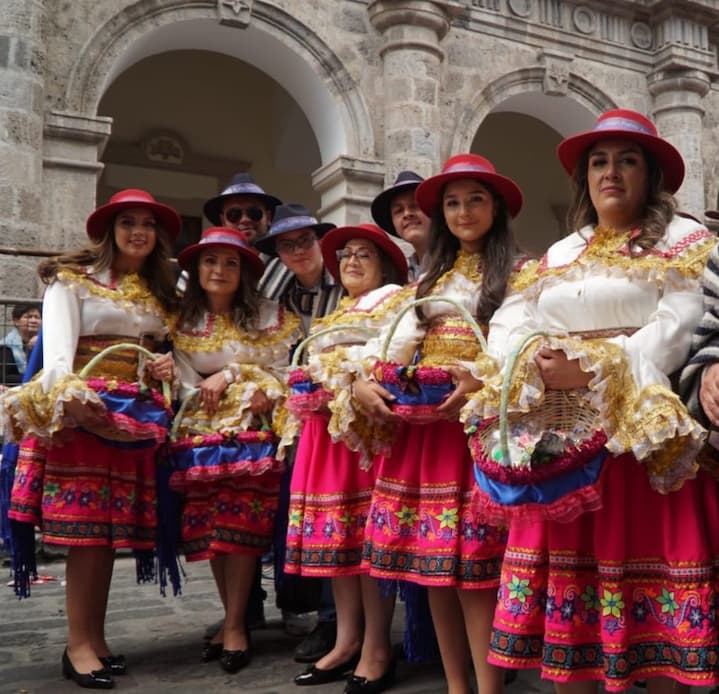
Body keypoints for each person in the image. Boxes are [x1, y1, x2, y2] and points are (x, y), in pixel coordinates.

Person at [480, 109, 718, 693]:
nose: (611, 172)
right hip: (563, 446)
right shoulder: (560, 252)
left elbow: (682, 321)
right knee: (573, 623)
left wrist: (591, 368)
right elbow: (513, 317)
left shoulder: (687, 242)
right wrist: (531, 359)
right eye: (599, 162)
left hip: (643, 445)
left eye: (627, 160)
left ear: (652, 174)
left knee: (659, 622)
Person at [354, 153, 525, 694]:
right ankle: (456, 685)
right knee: (433, 565)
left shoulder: (521, 272)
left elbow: (517, 340)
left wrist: (480, 378)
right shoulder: (429, 280)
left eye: (475, 198)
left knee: (476, 568)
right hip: (423, 429)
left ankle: (490, 688)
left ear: (495, 207)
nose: (463, 211)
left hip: (475, 425)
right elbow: (393, 342)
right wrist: (364, 379)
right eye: (452, 202)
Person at [1, 188, 179, 689]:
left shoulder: (157, 292)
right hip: (83, 416)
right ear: (109, 230)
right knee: (84, 535)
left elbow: (158, 354)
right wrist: (76, 406)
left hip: (133, 419)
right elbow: (58, 355)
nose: (138, 231)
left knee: (106, 536)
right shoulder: (70, 283)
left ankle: (93, 640)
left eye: (148, 223)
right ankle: (78, 644)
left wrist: (161, 363)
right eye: (128, 222)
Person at [282, 223, 408, 690]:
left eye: (364, 254)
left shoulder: (394, 298)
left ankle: (376, 645)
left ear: (385, 264)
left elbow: (385, 356)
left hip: (361, 432)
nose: (352, 261)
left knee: (366, 541)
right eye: (346, 254)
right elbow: (314, 360)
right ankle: (347, 638)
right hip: (323, 431)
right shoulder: (340, 309)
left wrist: (336, 373)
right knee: (340, 541)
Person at [170, 226, 301, 674]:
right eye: (211, 261)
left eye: (231, 263)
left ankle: (235, 626)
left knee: (241, 527)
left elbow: (284, 372)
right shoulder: (182, 320)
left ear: (244, 272)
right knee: (212, 531)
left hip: (251, 434)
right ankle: (232, 621)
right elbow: (184, 380)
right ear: (196, 268)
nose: (219, 270)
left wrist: (237, 375)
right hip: (200, 437)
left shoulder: (269, 315)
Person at [256, 203, 346, 659]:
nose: (298, 251)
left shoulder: (345, 278)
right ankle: (306, 609)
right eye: (286, 245)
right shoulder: (277, 286)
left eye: (304, 241)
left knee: (338, 514)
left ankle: (335, 623)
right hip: (297, 415)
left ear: (319, 241)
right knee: (303, 511)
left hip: (344, 410)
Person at [370, 170, 431, 279]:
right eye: (398, 210)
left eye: (415, 206)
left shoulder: (461, 261)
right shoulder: (403, 277)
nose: (407, 214)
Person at [203, 172, 282, 245]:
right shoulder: (216, 258)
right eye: (234, 214)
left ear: (268, 218)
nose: (245, 220)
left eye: (254, 213)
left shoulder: (287, 259)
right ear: (223, 221)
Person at [0, 303, 41, 376]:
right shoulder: (6, 346)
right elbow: (5, 376)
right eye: (28, 317)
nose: (33, 320)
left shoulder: (46, 342)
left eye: (37, 317)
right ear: (16, 321)